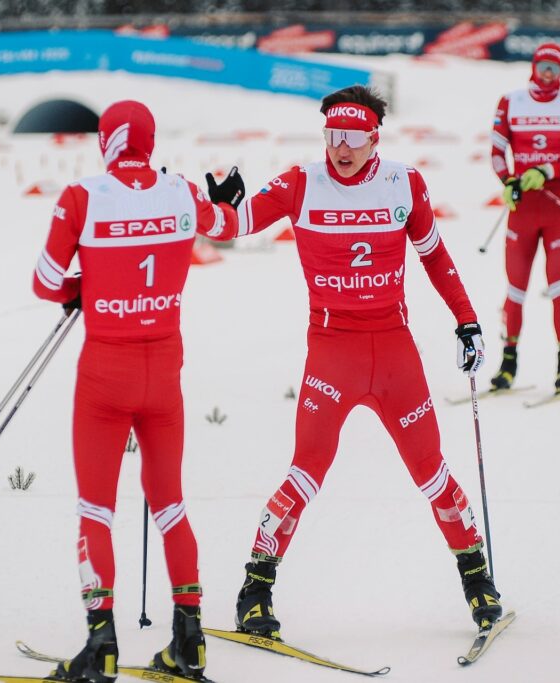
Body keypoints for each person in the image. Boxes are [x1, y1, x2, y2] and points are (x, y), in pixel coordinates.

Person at [201, 85, 503, 637]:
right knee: (305, 471)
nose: (341, 148)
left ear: (374, 139)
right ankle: (255, 590)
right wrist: (216, 208)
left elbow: (435, 256)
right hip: (332, 352)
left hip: (393, 352)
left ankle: (477, 580)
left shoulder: (405, 183)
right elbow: (234, 226)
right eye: (332, 136)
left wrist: (467, 320)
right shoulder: (300, 182)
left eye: (353, 138)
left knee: (431, 471)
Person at [32, 100, 244, 682]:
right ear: (149, 141)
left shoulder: (82, 196)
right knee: (170, 504)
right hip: (164, 372)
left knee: (95, 509)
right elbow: (227, 225)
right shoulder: (181, 191)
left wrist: (84, 286)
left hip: (105, 372)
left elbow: (46, 281)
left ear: (107, 140)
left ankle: (100, 644)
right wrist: (227, 199)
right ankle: (190, 641)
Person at [489, 42, 560, 393]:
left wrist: (547, 170)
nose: (548, 73)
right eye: (543, 66)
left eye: (555, 68)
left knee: (558, 285)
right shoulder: (510, 101)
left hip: (558, 207)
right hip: (522, 209)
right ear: (533, 66)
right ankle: (507, 365)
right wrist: (508, 182)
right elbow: (496, 151)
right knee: (515, 288)